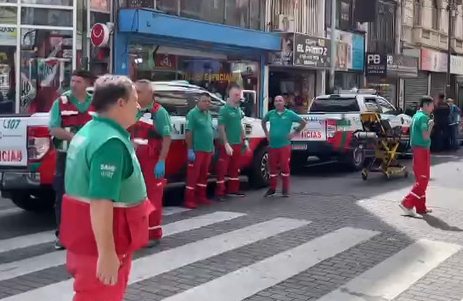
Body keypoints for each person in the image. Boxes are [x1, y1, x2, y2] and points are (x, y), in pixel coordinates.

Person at [59, 75, 153, 301]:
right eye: (134, 100)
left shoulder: (90, 131)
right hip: (103, 242)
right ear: (120, 103)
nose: (138, 106)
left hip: (85, 239)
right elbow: (101, 200)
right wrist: (107, 253)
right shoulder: (109, 143)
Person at [48, 69, 94, 250]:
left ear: (87, 84)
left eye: (78, 81)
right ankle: (63, 235)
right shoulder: (61, 102)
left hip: (90, 157)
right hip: (67, 157)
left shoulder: (95, 103)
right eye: (72, 81)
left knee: (90, 195)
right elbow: (54, 128)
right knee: (64, 195)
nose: (74, 84)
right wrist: (76, 139)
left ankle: (87, 233)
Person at [130, 79, 172, 246]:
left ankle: (152, 234)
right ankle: (138, 232)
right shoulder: (133, 110)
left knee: (152, 198)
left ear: (150, 94)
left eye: (139, 92)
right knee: (137, 197)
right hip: (135, 159)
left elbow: (167, 138)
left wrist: (161, 161)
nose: (135, 94)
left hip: (151, 160)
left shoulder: (159, 113)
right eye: (134, 91)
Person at [261, 95, 307, 197]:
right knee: (272, 168)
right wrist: (266, 133)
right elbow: (263, 121)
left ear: (284, 102)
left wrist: (294, 133)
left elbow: (303, 123)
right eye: (276, 101)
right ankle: (272, 189)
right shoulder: (271, 114)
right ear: (274, 103)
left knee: (284, 167)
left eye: (280, 101)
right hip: (272, 146)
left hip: (284, 146)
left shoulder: (290, 114)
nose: (278, 102)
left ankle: (285, 190)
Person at [400, 96, 434, 218]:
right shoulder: (424, 118)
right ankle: (407, 202)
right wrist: (431, 125)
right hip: (422, 150)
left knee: (421, 179)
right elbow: (426, 136)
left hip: (416, 149)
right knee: (423, 179)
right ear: (425, 105)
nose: (433, 108)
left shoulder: (415, 116)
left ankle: (421, 207)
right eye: (431, 105)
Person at [215, 83, 249, 201]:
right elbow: (221, 128)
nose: (238, 97)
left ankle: (233, 190)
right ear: (229, 94)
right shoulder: (224, 110)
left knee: (235, 168)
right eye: (236, 94)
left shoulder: (238, 109)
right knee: (222, 168)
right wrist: (225, 143)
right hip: (228, 144)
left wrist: (245, 140)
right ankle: (220, 192)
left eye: (239, 94)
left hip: (237, 143)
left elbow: (240, 126)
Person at [184, 93, 215, 209]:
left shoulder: (208, 114)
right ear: (198, 101)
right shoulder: (192, 114)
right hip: (197, 150)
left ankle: (201, 196)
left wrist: (212, 147)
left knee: (204, 175)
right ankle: (189, 199)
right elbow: (188, 132)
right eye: (204, 101)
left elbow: (210, 131)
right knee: (193, 175)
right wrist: (190, 149)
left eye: (208, 101)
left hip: (207, 149)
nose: (207, 103)